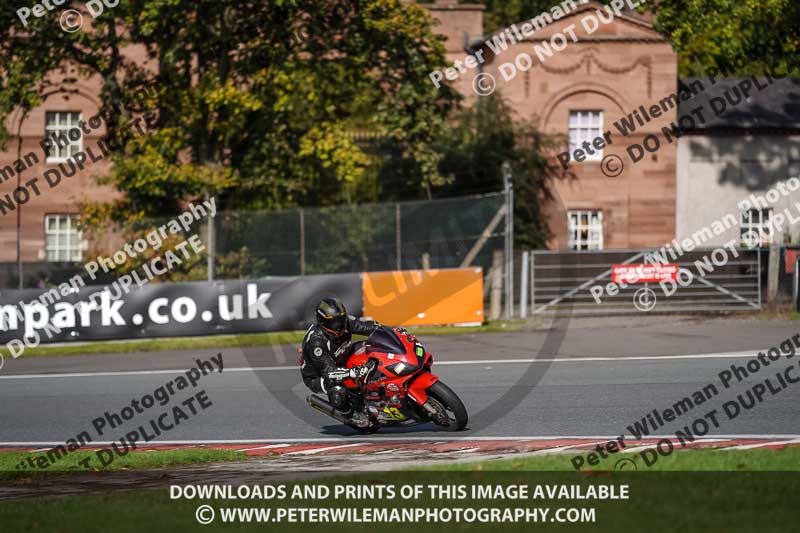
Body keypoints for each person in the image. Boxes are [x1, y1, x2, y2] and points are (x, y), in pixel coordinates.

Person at [300, 297, 380, 426]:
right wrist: (355, 372)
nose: (338, 326)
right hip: (319, 376)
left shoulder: (346, 323)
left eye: (341, 320)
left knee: (371, 350)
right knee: (338, 390)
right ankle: (351, 415)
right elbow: (330, 373)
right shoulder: (316, 342)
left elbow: (369, 328)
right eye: (333, 323)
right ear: (322, 322)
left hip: (343, 358)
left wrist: (392, 332)